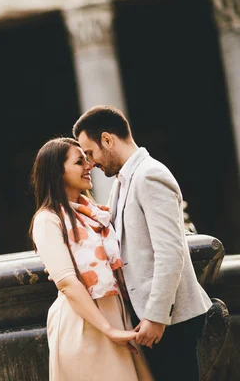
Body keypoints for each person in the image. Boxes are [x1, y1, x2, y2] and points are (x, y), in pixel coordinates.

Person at [72, 105, 212, 381]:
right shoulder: (123, 181)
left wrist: (156, 317)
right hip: (153, 319)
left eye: (90, 153)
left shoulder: (149, 175)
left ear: (108, 140)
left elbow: (170, 252)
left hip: (171, 320)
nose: (91, 163)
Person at [30, 137, 153, 381]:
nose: (89, 166)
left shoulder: (96, 214)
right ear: (57, 172)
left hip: (118, 320)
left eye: (87, 159)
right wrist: (109, 330)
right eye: (79, 162)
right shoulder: (48, 220)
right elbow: (66, 282)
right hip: (85, 326)